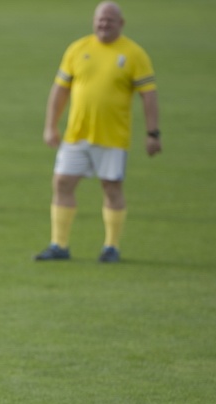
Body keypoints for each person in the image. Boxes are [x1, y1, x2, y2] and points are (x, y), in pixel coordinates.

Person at [34, 2, 160, 264]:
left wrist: (153, 133)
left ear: (121, 23)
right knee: (62, 183)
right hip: (76, 135)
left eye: (109, 21)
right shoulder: (78, 48)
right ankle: (59, 245)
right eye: (100, 20)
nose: (104, 25)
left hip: (112, 137)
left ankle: (111, 247)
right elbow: (59, 91)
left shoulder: (134, 54)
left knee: (111, 187)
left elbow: (149, 97)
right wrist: (50, 125)